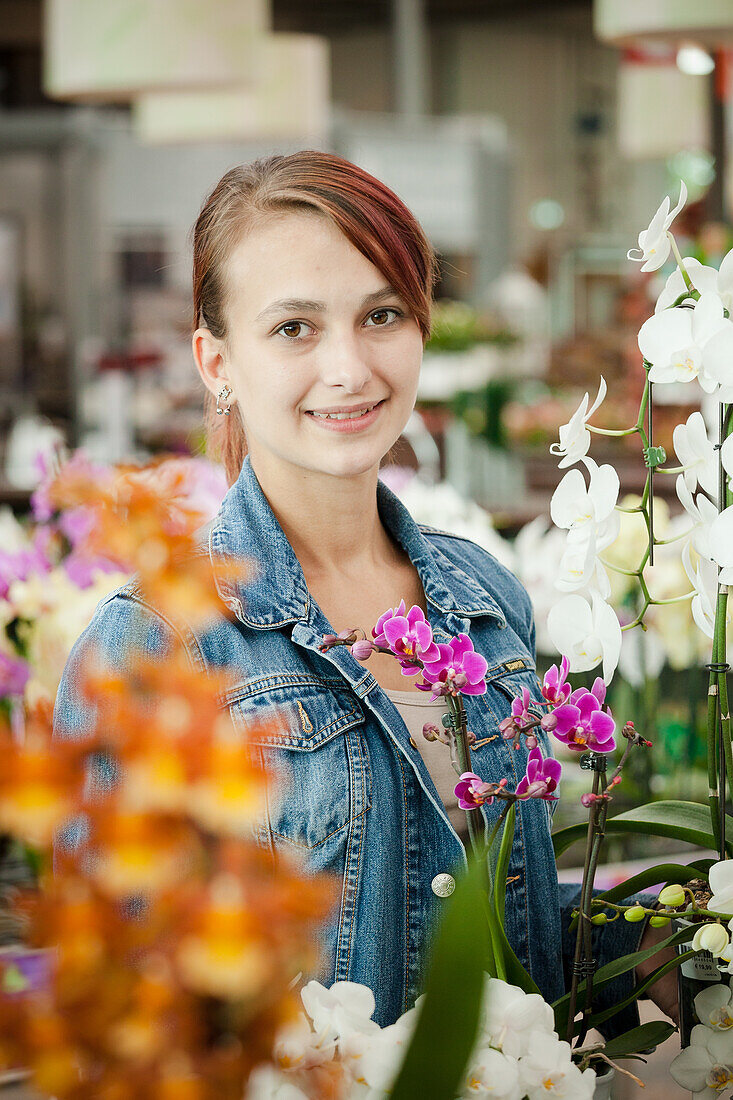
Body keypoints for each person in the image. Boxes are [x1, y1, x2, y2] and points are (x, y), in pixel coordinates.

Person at [54, 151, 676, 1031]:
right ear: (215, 361)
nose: (348, 368)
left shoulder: (482, 597)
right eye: (294, 328)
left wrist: (677, 940)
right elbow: (112, 1011)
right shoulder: (155, 643)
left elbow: (510, 937)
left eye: (381, 314)